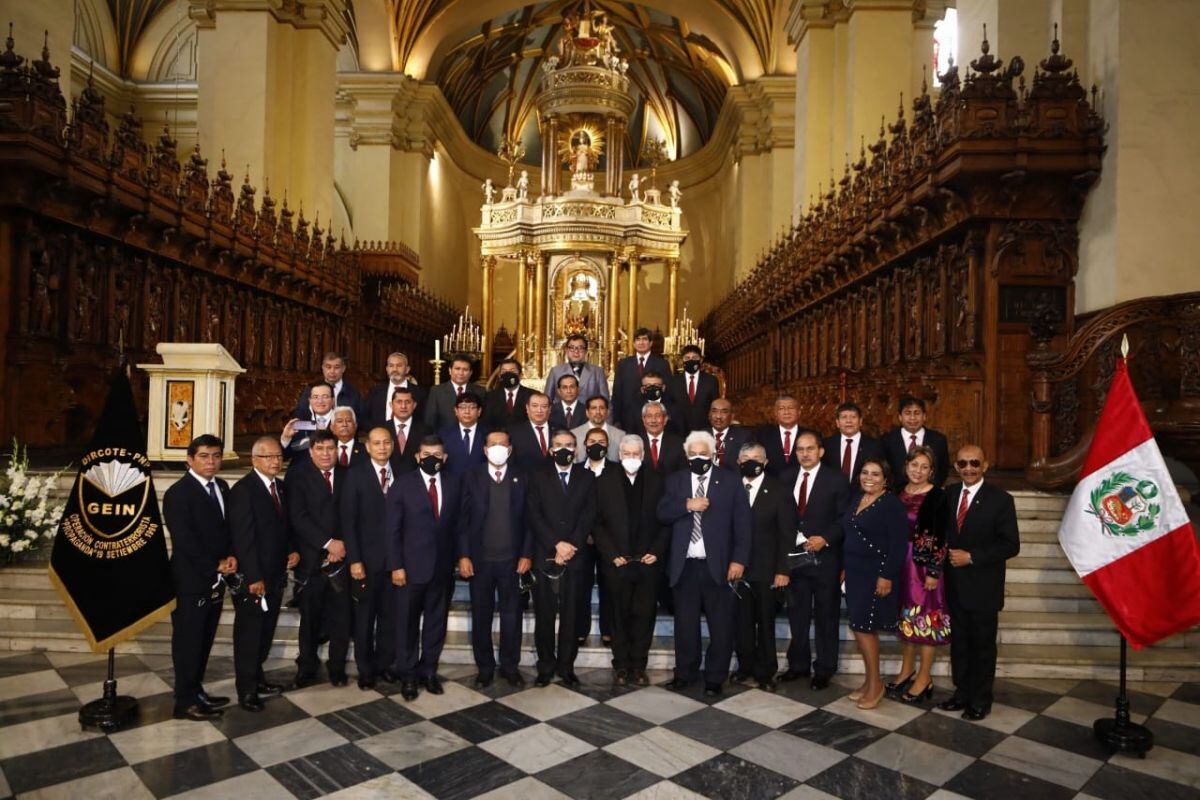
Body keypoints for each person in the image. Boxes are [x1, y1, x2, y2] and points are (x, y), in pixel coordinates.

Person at [658, 431, 751, 697]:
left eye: (703, 453)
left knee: (721, 626)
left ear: (712, 454)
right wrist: (686, 505)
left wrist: (738, 560)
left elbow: (743, 526)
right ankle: (685, 673)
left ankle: (714, 677)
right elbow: (661, 513)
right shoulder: (675, 481)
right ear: (687, 456)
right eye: (693, 454)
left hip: (720, 566)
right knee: (685, 625)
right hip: (684, 565)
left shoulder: (731, 481)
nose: (698, 458)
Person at [938, 444, 1019, 722]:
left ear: (985, 465)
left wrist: (972, 557)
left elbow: (1011, 545)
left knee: (982, 646)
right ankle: (961, 693)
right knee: (959, 643)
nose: (968, 468)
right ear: (956, 467)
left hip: (984, 587)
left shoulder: (1001, 499)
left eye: (974, 463)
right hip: (955, 586)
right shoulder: (948, 495)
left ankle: (981, 699)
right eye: (963, 464)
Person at [164, 434, 236, 720]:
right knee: (188, 642)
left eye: (216, 455)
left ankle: (197, 691)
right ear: (189, 460)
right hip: (190, 581)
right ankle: (184, 701)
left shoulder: (222, 486)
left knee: (204, 639)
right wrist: (215, 565)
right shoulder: (177, 494)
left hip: (216, 579)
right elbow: (185, 540)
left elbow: (228, 528)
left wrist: (231, 556)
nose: (211, 461)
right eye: (204, 456)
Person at [387, 435, 463, 700]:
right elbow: (392, 530)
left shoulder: (453, 483)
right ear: (417, 456)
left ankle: (428, 671)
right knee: (407, 624)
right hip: (409, 570)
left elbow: (458, 526)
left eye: (437, 454)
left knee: (435, 623)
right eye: (427, 454)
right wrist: (396, 566)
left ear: (445, 458)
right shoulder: (402, 484)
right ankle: (407, 676)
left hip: (441, 569)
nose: (432, 458)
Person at [458, 430, 532, 689]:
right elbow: (463, 521)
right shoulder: (471, 476)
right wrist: (464, 555)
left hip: (512, 561)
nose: (498, 448)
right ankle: (485, 668)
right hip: (480, 562)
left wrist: (526, 553)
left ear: (510, 449)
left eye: (503, 443)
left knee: (512, 617)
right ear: (485, 449)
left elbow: (529, 520)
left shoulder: (521, 476)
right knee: (481, 616)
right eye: (493, 444)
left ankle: (510, 666)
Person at [593, 434, 668, 686]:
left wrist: (656, 551)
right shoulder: (603, 481)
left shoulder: (658, 481)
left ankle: (638, 664)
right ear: (619, 455)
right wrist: (612, 554)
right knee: (618, 616)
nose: (632, 458)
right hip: (617, 562)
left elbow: (666, 521)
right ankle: (621, 665)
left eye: (637, 454)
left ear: (643, 456)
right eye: (627, 454)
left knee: (644, 615)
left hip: (647, 563)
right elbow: (596, 522)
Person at [228, 437, 296, 712]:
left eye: (278, 456)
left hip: (276, 572)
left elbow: (283, 527)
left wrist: (292, 550)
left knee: (266, 630)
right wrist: (254, 576)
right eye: (268, 457)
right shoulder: (244, 490)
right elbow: (243, 538)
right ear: (255, 460)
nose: (275, 462)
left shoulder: (279, 486)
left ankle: (258, 677)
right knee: (249, 633)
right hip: (254, 577)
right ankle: (246, 689)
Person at [526, 430, 597, 687]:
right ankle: (545, 665)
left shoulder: (587, 477)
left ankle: (567, 666)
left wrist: (570, 546)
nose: (564, 449)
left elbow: (589, 513)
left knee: (571, 614)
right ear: (550, 449)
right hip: (546, 554)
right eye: (559, 445)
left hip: (575, 556)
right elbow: (533, 513)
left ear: (576, 449)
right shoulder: (537, 477)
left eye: (569, 445)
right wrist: (556, 543)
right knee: (544, 613)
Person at [779, 429, 849, 689]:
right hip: (795, 560)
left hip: (825, 559)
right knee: (796, 615)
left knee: (826, 615)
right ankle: (797, 665)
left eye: (810, 448)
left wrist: (826, 538)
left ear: (820, 451)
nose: (804, 453)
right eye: (800, 449)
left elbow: (845, 519)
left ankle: (824, 668)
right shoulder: (785, 478)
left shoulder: (837, 480)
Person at [842, 456, 908, 710]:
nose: (868, 477)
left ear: (886, 480)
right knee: (859, 628)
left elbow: (898, 544)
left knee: (865, 629)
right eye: (865, 473)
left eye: (875, 474)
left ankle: (876, 685)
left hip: (875, 574)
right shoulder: (858, 498)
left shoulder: (891, 504)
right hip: (855, 572)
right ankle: (870, 682)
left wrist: (887, 575)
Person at [286, 430, 351, 687]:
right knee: (310, 618)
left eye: (330, 449)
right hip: (312, 560)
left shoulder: (349, 475)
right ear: (311, 451)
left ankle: (337, 667)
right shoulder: (298, 477)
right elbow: (298, 517)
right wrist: (328, 543)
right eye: (320, 449)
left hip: (343, 559)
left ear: (337, 451)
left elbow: (355, 514)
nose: (326, 454)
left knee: (342, 618)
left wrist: (342, 545)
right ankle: (307, 667)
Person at [887, 446, 950, 704]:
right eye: (914, 465)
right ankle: (907, 669)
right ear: (906, 467)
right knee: (905, 620)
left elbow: (942, 535)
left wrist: (934, 571)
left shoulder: (938, 496)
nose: (918, 471)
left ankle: (924, 677)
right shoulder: (897, 492)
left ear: (932, 471)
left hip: (923, 567)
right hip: (900, 564)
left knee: (925, 622)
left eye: (924, 467)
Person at [340, 426, 398, 689]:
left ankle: (385, 665)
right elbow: (348, 522)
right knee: (364, 620)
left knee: (389, 618)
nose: (382, 447)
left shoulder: (404, 473)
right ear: (367, 447)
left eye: (387, 442)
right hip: (365, 563)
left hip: (394, 563)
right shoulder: (355, 475)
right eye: (377, 443)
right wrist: (354, 560)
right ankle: (365, 670)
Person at [732, 442, 792, 691]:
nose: (751, 462)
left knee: (765, 622)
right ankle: (745, 667)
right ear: (738, 462)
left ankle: (766, 672)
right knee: (742, 623)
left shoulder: (779, 490)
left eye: (757, 457)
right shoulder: (730, 487)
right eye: (746, 458)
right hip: (737, 569)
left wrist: (783, 570)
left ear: (766, 462)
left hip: (768, 569)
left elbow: (786, 534)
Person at [576, 428, 613, 644]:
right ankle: (581, 628)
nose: (596, 444)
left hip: (610, 540)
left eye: (601, 441)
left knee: (609, 584)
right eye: (592, 441)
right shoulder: (578, 470)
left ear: (607, 446)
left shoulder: (616, 471)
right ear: (585, 445)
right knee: (582, 584)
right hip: (583, 539)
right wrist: (586, 533)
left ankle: (609, 628)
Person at [881, 395, 951, 489]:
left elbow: (943, 470)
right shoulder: (886, 441)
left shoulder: (939, 440)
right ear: (900, 417)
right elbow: (883, 471)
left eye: (917, 413)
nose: (912, 418)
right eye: (908, 413)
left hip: (929, 496)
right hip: (896, 496)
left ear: (924, 416)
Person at [612, 327, 669, 433]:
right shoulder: (623, 364)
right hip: (627, 418)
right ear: (633, 343)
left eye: (645, 339)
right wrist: (616, 420)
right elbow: (617, 393)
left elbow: (667, 392)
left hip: (653, 418)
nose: (641, 342)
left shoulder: (662, 364)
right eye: (638, 339)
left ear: (651, 343)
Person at [822, 402, 886, 483]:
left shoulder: (874, 446)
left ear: (860, 421)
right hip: (833, 493)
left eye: (853, 417)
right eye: (844, 417)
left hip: (863, 493)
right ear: (837, 423)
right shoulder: (827, 444)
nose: (849, 421)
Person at [364, 352, 427, 430]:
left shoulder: (420, 393)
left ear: (407, 369)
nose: (394, 369)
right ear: (387, 369)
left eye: (399, 365)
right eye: (391, 366)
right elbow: (365, 418)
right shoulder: (375, 392)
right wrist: (377, 432)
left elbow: (425, 420)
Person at [293, 351, 362, 420]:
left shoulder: (353, 392)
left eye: (336, 367)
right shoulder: (311, 389)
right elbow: (300, 414)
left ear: (343, 369)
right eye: (328, 367)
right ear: (323, 368)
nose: (332, 371)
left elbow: (360, 419)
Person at [544, 334, 609, 406]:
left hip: (589, 416)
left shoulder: (597, 372)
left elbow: (606, 402)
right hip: (562, 416)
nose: (576, 351)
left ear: (586, 351)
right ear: (566, 350)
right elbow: (547, 400)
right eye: (572, 348)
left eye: (580, 348)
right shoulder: (555, 372)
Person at [667, 345, 719, 433]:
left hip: (704, 431)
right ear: (682, 361)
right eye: (687, 358)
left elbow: (715, 405)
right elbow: (669, 406)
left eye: (695, 357)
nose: (691, 360)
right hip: (678, 431)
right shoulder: (672, 381)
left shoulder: (711, 380)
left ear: (701, 360)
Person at [425, 354, 484, 431]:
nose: (461, 373)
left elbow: (483, 420)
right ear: (450, 370)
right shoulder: (437, 391)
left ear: (470, 373)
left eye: (465, 370)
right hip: (443, 438)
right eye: (457, 369)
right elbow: (430, 420)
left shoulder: (480, 392)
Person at [281, 381, 335, 461]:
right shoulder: (299, 423)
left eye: (325, 397)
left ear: (333, 400)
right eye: (315, 397)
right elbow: (284, 457)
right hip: (302, 471)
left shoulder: (342, 421)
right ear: (310, 400)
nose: (320, 401)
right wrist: (286, 438)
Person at [438, 392, 487, 476]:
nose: (467, 411)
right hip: (453, 484)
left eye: (472, 407)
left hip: (481, 484)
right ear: (456, 411)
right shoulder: (443, 434)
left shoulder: (488, 434)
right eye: (463, 407)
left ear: (479, 411)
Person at [385, 387, 431, 475]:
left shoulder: (426, 431)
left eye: (408, 402)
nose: (403, 406)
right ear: (391, 405)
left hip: (416, 481)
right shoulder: (382, 429)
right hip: (387, 480)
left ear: (414, 405)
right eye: (399, 402)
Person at [755, 395, 802, 478]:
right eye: (781, 408)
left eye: (791, 408)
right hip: (771, 486)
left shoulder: (811, 436)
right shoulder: (762, 435)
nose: (786, 412)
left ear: (799, 412)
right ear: (775, 413)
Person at [509, 391, 554, 475]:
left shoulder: (560, 430)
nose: (539, 410)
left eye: (544, 406)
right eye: (534, 406)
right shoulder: (513, 432)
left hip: (555, 482)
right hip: (525, 482)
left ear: (550, 409)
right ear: (527, 408)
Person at [483, 358, 535, 429]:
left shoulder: (532, 395)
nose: (508, 374)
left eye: (512, 371)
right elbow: (486, 421)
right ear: (499, 376)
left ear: (520, 375)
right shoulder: (490, 396)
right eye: (504, 371)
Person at [572, 395, 624, 462]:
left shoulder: (621, 436)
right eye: (594, 408)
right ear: (587, 412)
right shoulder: (574, 435)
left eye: (602, 408)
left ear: (608, 412)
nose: (598, 412)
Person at [641, 400, 684, 475]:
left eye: (657, 416)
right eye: (649, 416)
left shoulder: (678, 444)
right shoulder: (636, 443)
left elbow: (683, 473)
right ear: (644, 421)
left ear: (665, 420)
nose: (653, 420)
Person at [709, 398, 752, 470]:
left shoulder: (744, 437)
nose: (718, 416)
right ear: (709, 414)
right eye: (714, 411)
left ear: (732, 416)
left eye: (724, 412)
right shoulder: (700, 436)